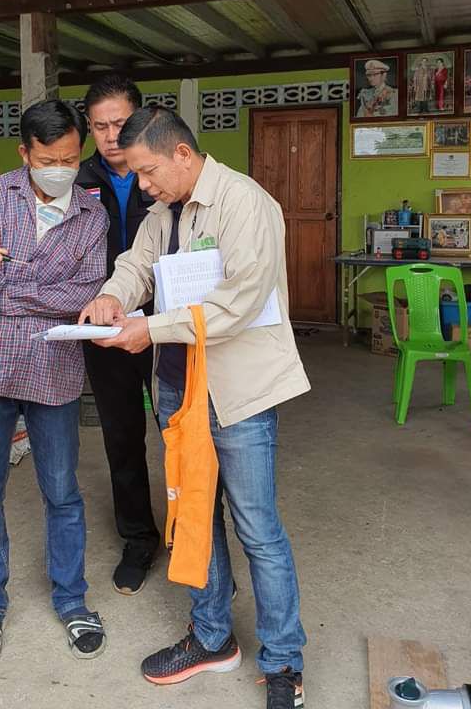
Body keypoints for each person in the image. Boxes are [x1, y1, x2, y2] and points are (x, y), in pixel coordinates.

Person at [80, 107, 311, 709]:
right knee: (193, 517)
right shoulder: (164, 212)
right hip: (179, 389)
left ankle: (284, 660)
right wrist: (111, 296)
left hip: (238, 393)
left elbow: (240, 301)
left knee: (257, 528)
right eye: (136, 174)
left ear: (182, 154)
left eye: (148, 172)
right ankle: (211, 637)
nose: (143, 186)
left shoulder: (245, 203)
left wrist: (150, 328)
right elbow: (136, 265)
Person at [0, 99, 110, 669]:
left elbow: (86, 294)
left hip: (53, 369)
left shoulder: (92, 216)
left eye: (69, 158)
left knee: (61, 491)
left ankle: (72, 600)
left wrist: (7, 295)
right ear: (25, 153)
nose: (60, 169)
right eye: (47, 159)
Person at [75, 74, 160, 594]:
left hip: (166, 323)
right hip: (104, 325)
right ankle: (138, 538)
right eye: (100, 126)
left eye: (120, 124)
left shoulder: (163, 171)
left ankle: (194, 531)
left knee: (183, 433)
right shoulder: (77, 179)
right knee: (122, 435)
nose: (111, 136)